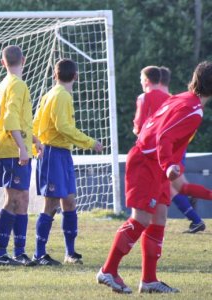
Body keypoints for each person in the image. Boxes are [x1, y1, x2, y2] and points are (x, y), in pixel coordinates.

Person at [96, 61, 212, 293]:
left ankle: (149, 280)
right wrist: (169, 164)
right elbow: (164, 137)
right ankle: (108, 270)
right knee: (140, 219)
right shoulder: (194, 111)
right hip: (147, 163)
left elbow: (183, 185)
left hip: (154, 164)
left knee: (159, 218)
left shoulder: (182, 98)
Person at [33, 58, 103, 266]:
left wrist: (35, 143)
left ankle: (70, 253)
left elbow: (35, 123)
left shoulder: (52, 94)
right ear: (76, 76)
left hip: (61, 154)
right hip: (53, 153)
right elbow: (63, 127)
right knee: (51, 203)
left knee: (69, 201)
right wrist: (90, 142)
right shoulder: (60, 95)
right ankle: (39, 254)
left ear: (55, 75)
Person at [0, 45, 43, 267]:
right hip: (11, 149)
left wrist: (32, 140)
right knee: (13, 199)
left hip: (10, 146)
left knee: (22, 199)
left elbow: (15, 120)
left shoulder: (6, 83)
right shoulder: (17, 85)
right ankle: (0, 253)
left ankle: (19, 252)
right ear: (24, 59)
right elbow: (11, 119)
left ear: (3, 62)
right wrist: (22, 147)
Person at [159, 66, 206, 233]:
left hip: (161, 152)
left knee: (171, 190)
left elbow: (147, 129)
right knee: (177, 188)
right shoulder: (179, 99)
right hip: (178, 149)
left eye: (143, 80)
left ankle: (195, 219)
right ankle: (195, 219)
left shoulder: (149, 98)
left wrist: (166, 163)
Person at [132, 66, 170, 135]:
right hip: (164, 138)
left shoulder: (143, 97)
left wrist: (136, 129)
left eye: (141, 79)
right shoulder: (169, 98)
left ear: (146, 81)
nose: (141, 82)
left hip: (148, 139)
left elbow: (139, 123)